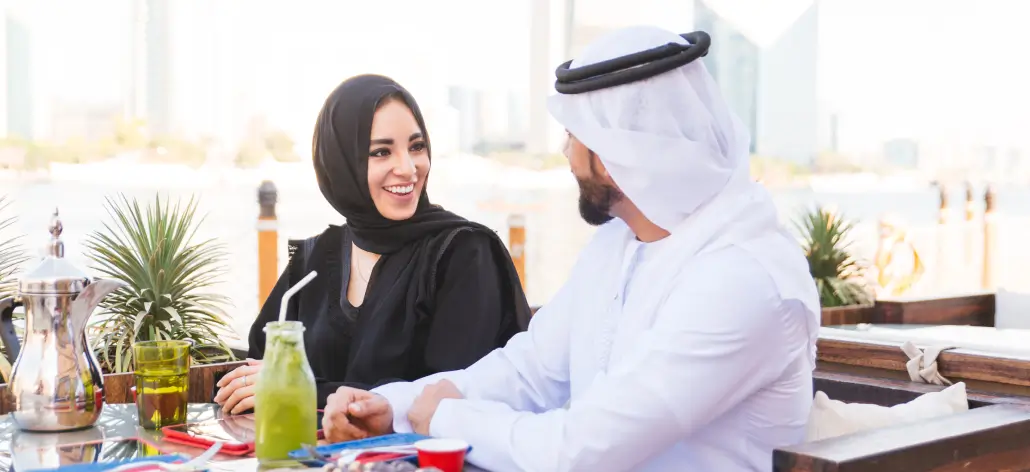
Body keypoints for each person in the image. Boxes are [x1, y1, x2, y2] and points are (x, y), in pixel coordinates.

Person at [322, 26, 820, 471]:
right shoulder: (617, 246)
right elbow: (531, 371)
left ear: (615, 152)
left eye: (573, 134)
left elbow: (580, 452)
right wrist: (393, 408)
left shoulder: (742, 281)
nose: (564, 152)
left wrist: (445, 416)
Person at [214, 74, 532, 414]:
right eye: (381, 152)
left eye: (416, 147)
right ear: (340, 162)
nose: (408, 168)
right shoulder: (313, 261)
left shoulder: (463, 253)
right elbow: (257, 375)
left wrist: (301, 391)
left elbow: (449, 398)